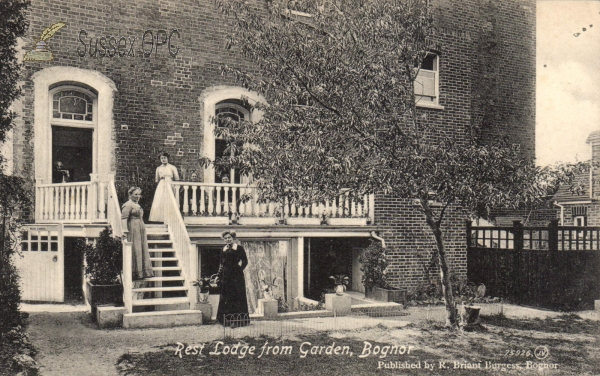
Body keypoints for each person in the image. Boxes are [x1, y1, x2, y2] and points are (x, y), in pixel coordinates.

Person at [216, 230, 250, 327]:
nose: (228, 240)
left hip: (236, 276)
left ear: (233, 238)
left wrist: (239, 270)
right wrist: (218, 275)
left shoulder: (239, 248)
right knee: (227, 297)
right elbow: (221, 264)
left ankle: (238, 321)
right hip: (225, 276)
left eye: (229, 238)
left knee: (237, 296)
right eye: (226, 238)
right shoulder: (223, 249)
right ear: (224, 240)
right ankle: (227, 320)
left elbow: (245, 261)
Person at [121, 187, 154, 281]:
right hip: (133, 229)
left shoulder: (137, 205)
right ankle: (135, 272)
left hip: (140, 228)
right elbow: (124, 219)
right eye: (135, 194)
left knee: (141, 248)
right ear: (130, 195)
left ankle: (142, 271)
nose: (138, 196)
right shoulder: (127, 205)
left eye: (139, 194)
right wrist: (125, 231)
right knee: (135, 249)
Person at [149, 152, 179, 222]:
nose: (163, 160)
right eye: (161, 158)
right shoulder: (158, 168)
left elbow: (177, 178)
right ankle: (160, 218)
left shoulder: (172, 167)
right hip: (162, 184)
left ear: (167, 158)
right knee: (160, 200)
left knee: (170, 199)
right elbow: (157, 179)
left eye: (164, 158)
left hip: (170, 183)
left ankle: (170, 218)